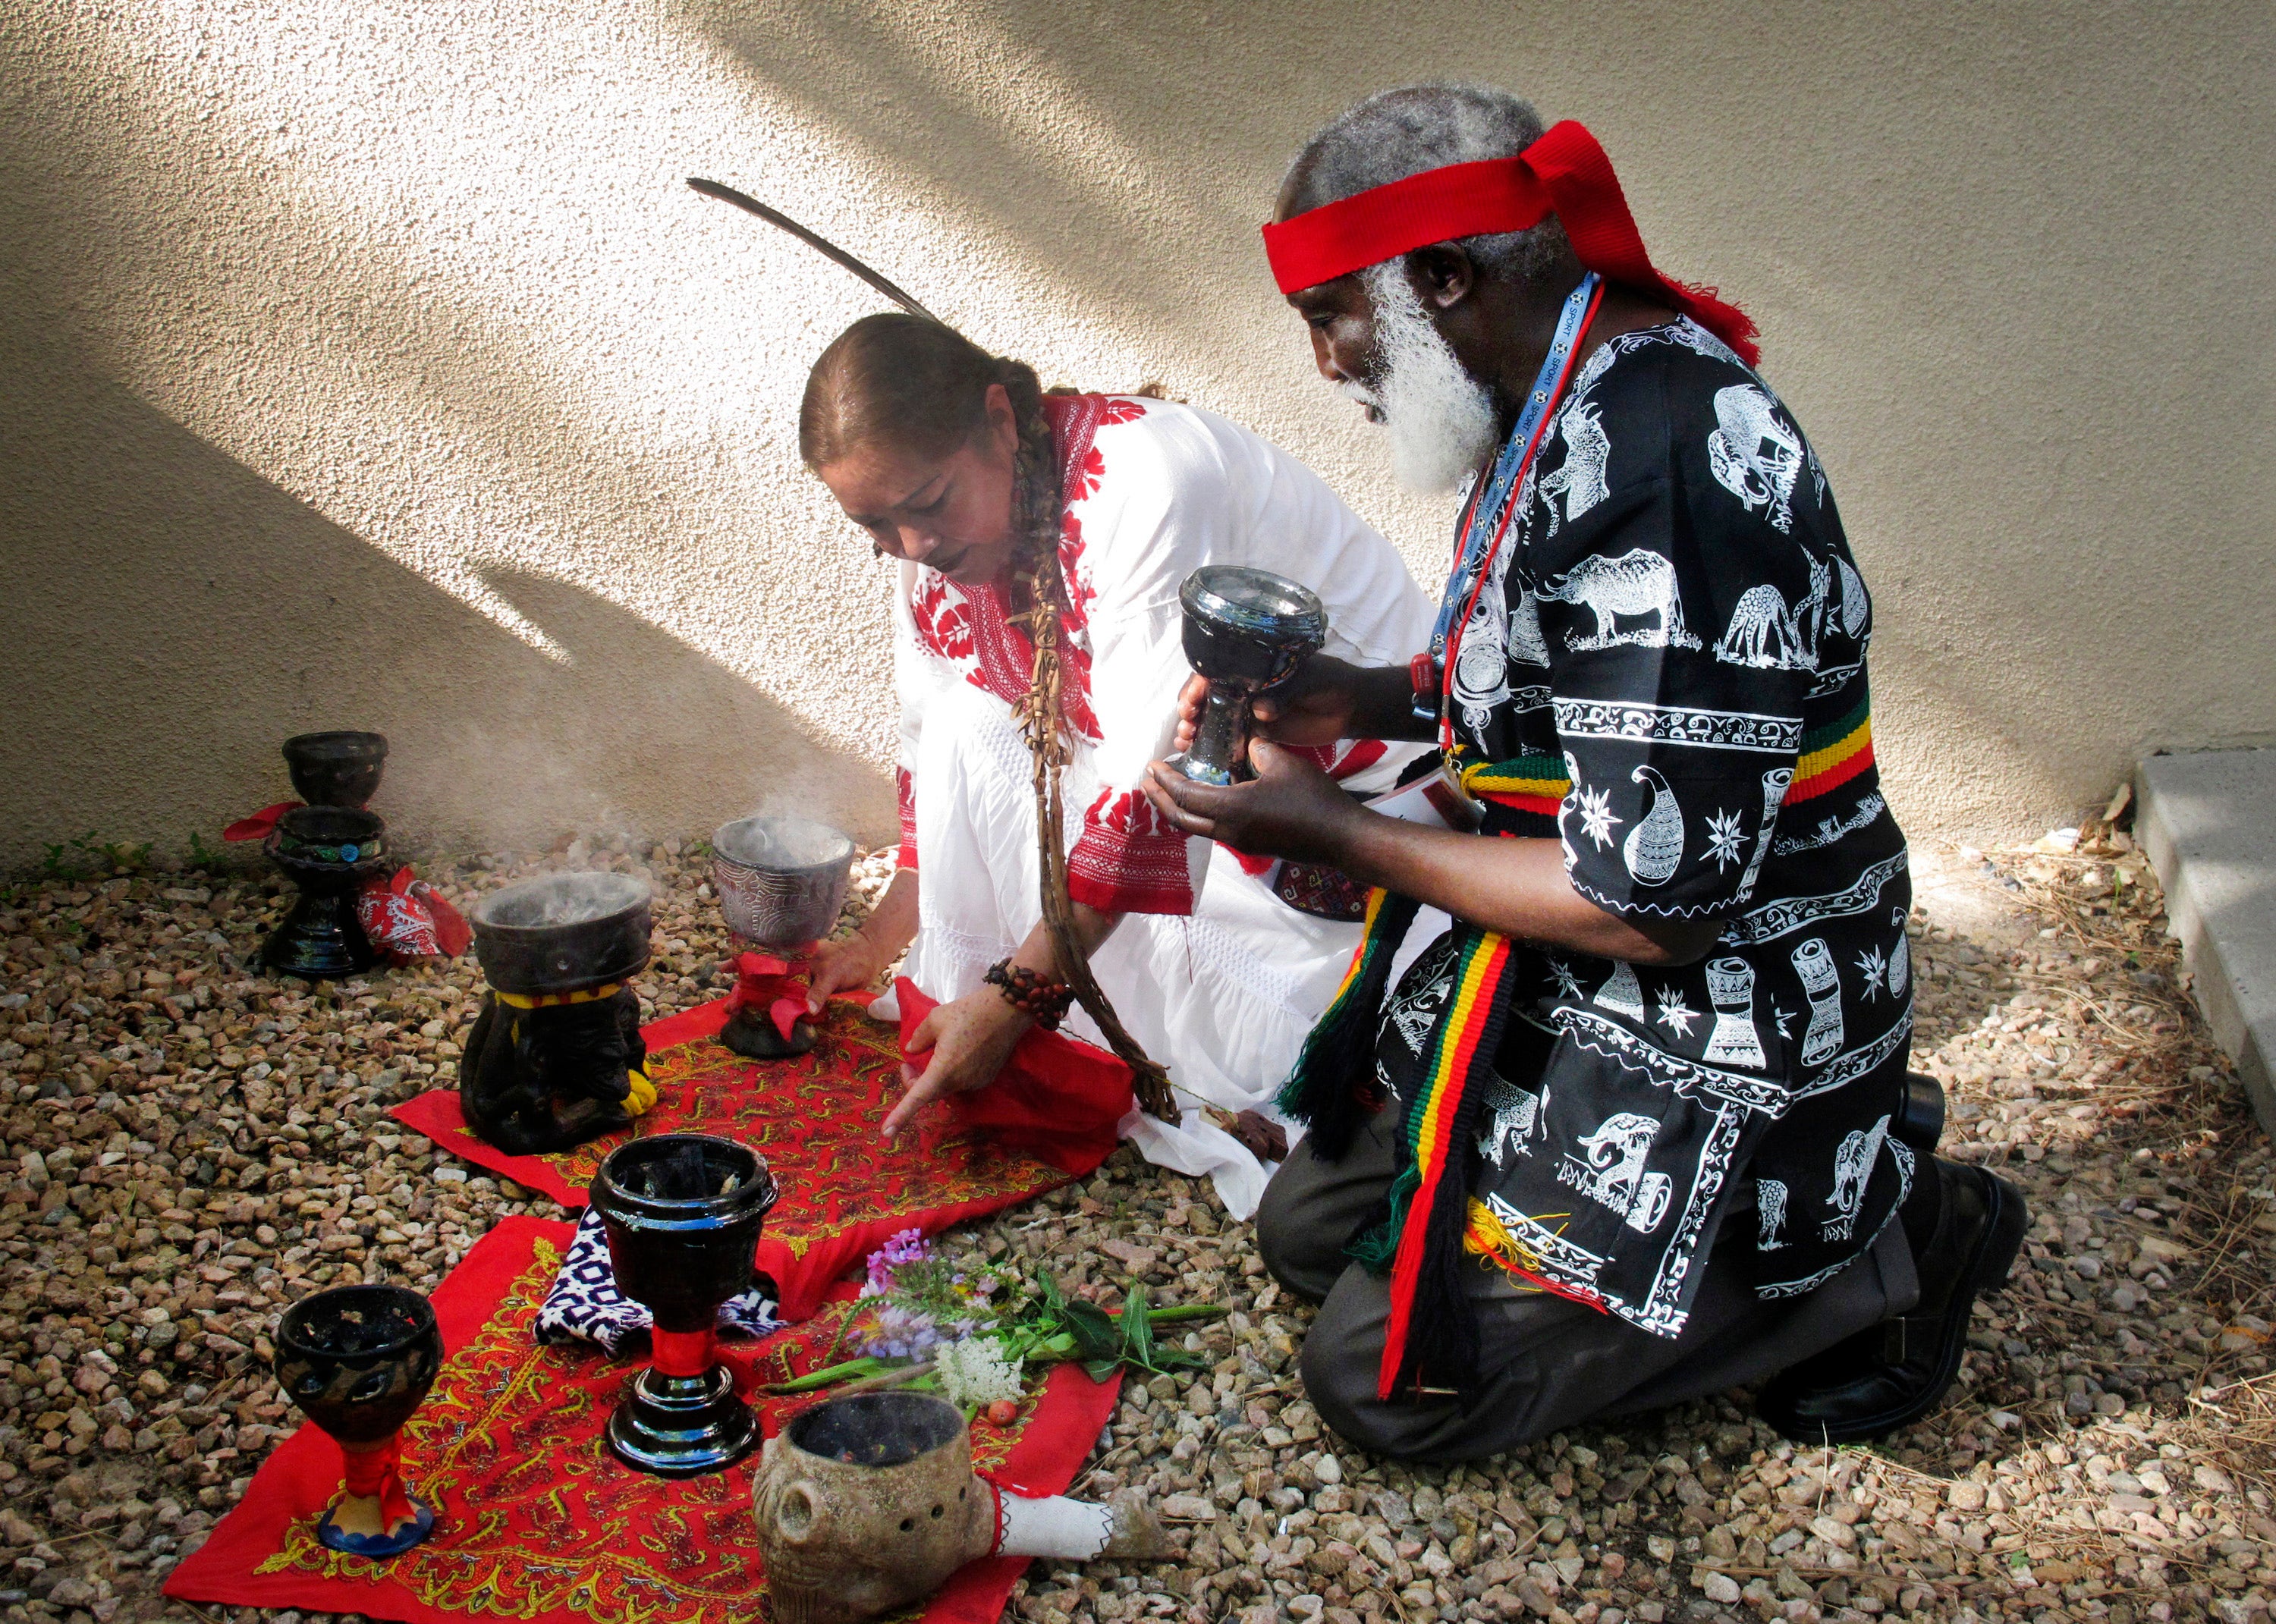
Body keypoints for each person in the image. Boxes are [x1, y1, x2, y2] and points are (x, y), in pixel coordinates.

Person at [1143, 83, 2029, 1457]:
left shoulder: (1665, 473)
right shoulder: (1563, 393)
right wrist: (1355, 701)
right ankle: (1811, 1199)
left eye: (1331, 317)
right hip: (1575, 966)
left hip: (1718, 1009)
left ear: (1438, 280)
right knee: (1308, 1230)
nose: (1325, 363)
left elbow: (1654, 905)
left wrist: (1336, 825)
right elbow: (1561, 695)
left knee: (1386, 1388)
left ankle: (1894, 1227)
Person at [797, 313, 1432, 1217]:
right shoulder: (927, 543)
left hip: (1339, 807)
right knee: (970, 719)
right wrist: (875, 939)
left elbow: (1162, 788)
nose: (914, 548)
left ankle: (1074, 1025)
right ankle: (1038, 1013)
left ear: (1000, 420)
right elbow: (929, 745)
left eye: (930, 505)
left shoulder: (1148, 480)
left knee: (1284, 1056)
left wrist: (1016, 995)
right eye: (874, 524)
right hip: (1187, 804)